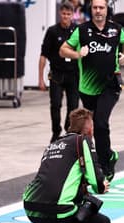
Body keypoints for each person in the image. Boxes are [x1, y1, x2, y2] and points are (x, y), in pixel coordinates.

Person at [22, 108, 111, 223]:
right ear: (90, 129)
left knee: (75, 201)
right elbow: (97, 184)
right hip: (57, 209)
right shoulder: (83, 141)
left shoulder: (54, 144)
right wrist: (103, 184)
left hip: (30, 208)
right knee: (101, 221)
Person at [59, 0, 124, 182]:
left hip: (111, 84)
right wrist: (78, 54)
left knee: (100, 122)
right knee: (89, 128)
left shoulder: (116, 29)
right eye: (95, 7)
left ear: (107, 9)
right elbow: (63, 50)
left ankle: (105, 165)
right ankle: (106, 155)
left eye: (101, 7)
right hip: (87, 88)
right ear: (91, 9)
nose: (98, 11)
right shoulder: (82, 30)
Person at [39, 2, 79, 143]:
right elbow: (43, 55)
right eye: (63, 14)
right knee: (55, 104)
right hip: (57, 74)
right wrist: (40, 78)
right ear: (59, 14)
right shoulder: (52, 31)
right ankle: (56, 131)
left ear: (72, 15)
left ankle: (69, 130)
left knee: (73, 106)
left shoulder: (77, 31)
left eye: (68, 14)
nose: (65, 17)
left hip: (74, 74)